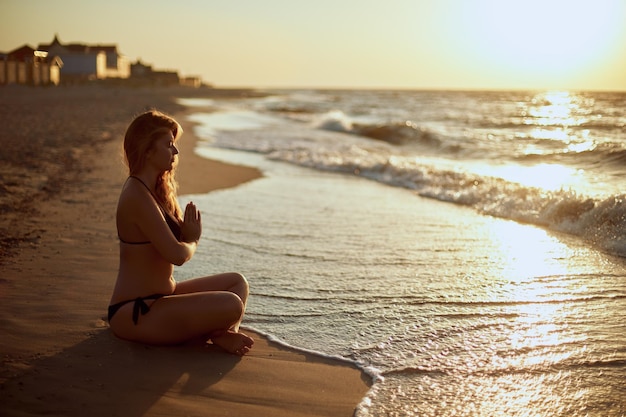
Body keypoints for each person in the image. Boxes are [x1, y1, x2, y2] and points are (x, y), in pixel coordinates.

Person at [107, 110, 254, 356]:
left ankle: (222, 334)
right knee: (231, 304)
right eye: (168, 144)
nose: (175, 151)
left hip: (164, 297)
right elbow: (176, 254)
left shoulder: (152, 190)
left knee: (237, 282)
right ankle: (217, 333)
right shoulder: (135, 195)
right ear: (148, 150)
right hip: (136, 312)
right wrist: (192, 239)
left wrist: (187, 234)